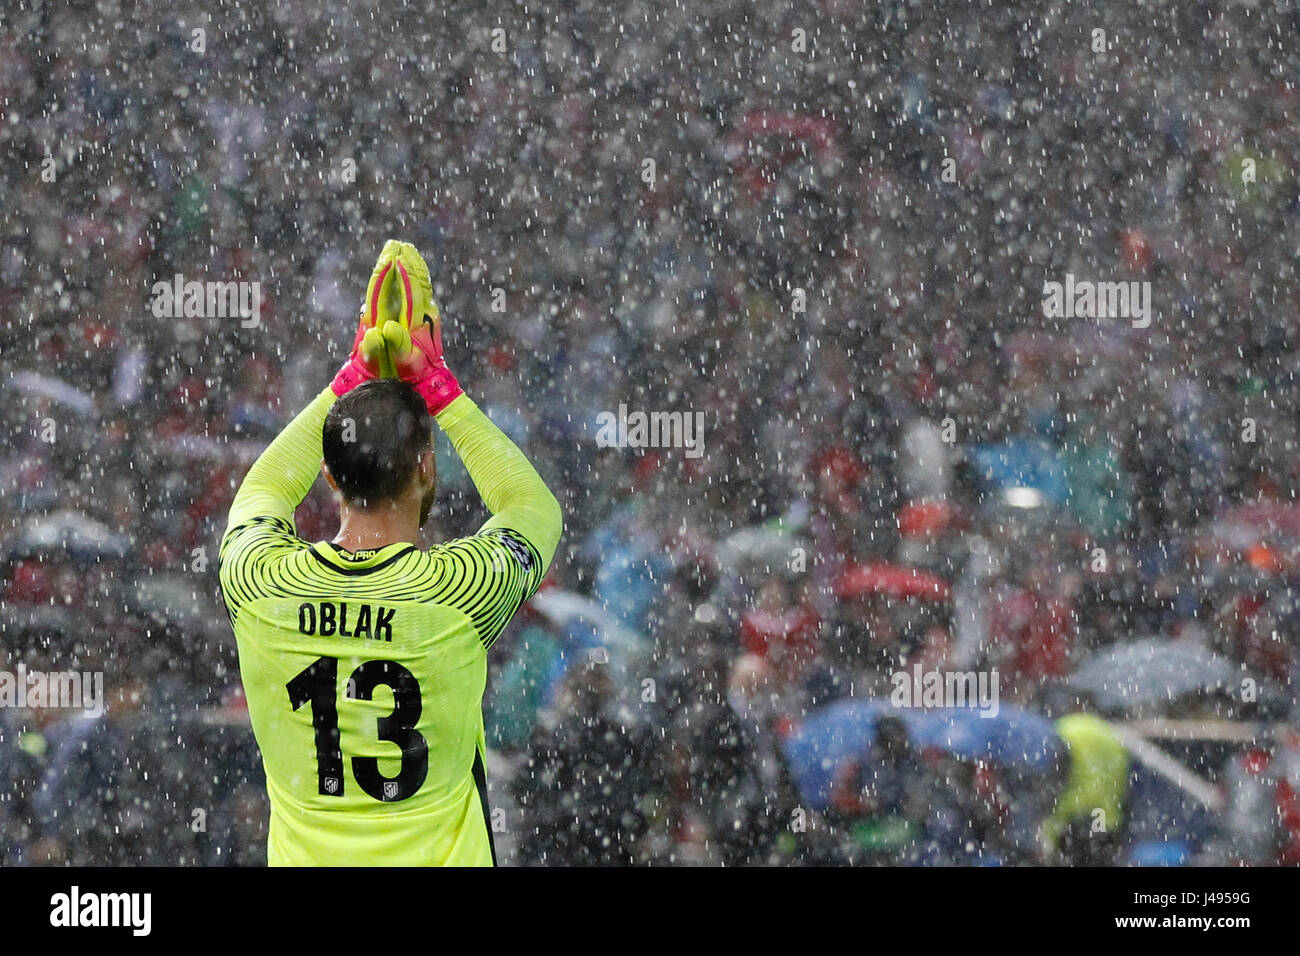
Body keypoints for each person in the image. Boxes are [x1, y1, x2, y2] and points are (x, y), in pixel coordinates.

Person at [218, 241, 562, 866]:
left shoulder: (260, 582)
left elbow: (264, 488)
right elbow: (533, 510)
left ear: (328, 477)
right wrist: (437, 386)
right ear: (428, 469)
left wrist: (350, 377)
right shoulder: (456, 592)